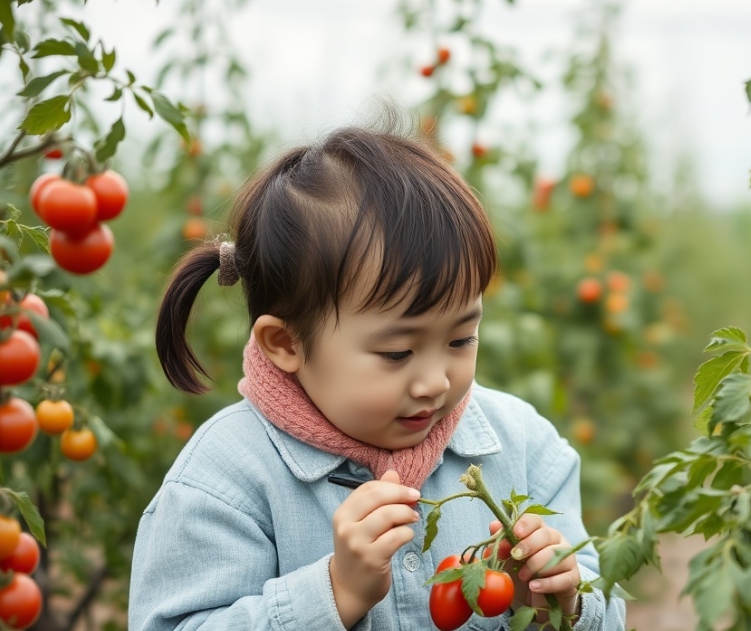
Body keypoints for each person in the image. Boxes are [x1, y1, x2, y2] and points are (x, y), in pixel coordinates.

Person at [129, 121, 626, 631]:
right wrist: (332, 593)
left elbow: (602, 601)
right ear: (286, 343)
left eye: (461, 340)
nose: (434, 382)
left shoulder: (523, 448)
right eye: (396, 352)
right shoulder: (225, 480)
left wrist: (567, 600)